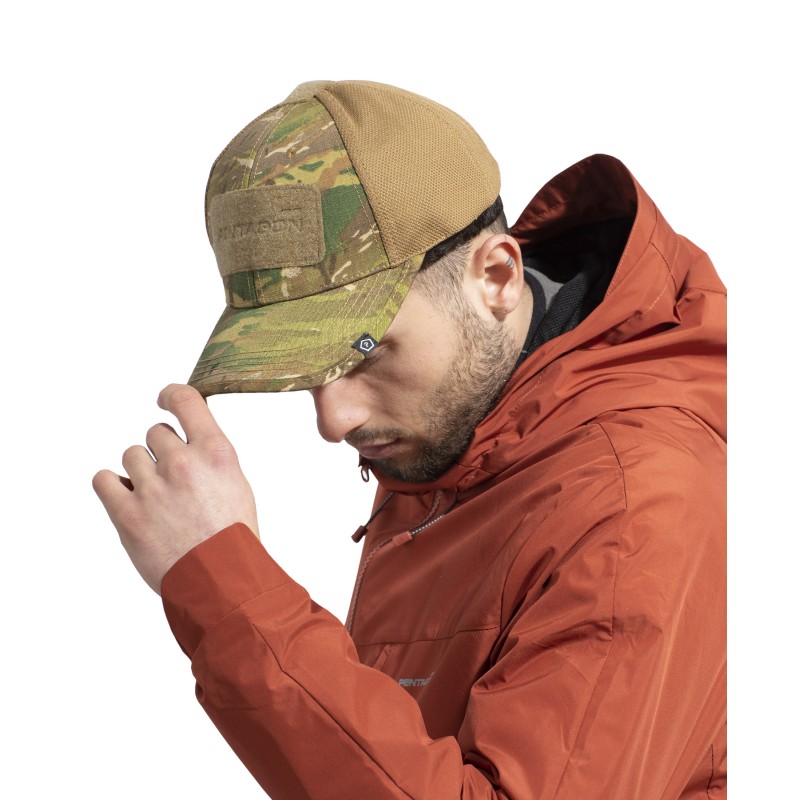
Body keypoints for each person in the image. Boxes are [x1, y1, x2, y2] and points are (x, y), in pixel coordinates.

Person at [93, 80, 727, 798]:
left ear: (497, 277)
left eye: (364, 350)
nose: (333, 421)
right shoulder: (463, 437)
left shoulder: (635, 506)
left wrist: (227, 589)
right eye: (304, 369)